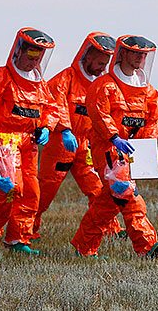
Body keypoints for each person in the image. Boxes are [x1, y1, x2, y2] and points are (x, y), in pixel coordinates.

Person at [71, 35, 158, 258]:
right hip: (107, 150)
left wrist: (144, 142)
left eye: (143, 55)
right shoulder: (104, 86)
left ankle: (83, 246)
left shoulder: (148, 91)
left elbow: (155, 118)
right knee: (127, 193)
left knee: (109, 202)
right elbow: (98, 112)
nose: (139, 59)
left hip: (131, 151)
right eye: (135, 53)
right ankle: (147, 245)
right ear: (122, 54)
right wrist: (113, 137)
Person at [0, 27, 60, 255]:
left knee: (31, 191)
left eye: (39, 56)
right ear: (19, 51)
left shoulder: (39, 83)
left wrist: (46, 127)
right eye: (32, 54)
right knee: (10, 190)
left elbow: (51, 107)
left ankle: (18, 238)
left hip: (29, 144)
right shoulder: (0, 76)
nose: (35, 60)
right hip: (6, 141)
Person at [32, 32, 125, 241]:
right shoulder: (65, 79)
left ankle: (111, 228)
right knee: (46, 189)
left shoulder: (103, 84)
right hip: (61, 145)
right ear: (88, 56)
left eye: (105, 63)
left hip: (87, 145)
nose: (102, 67)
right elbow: (56, 106)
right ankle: (27, 230)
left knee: (97, 188)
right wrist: (65, 130)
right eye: (100, 62)